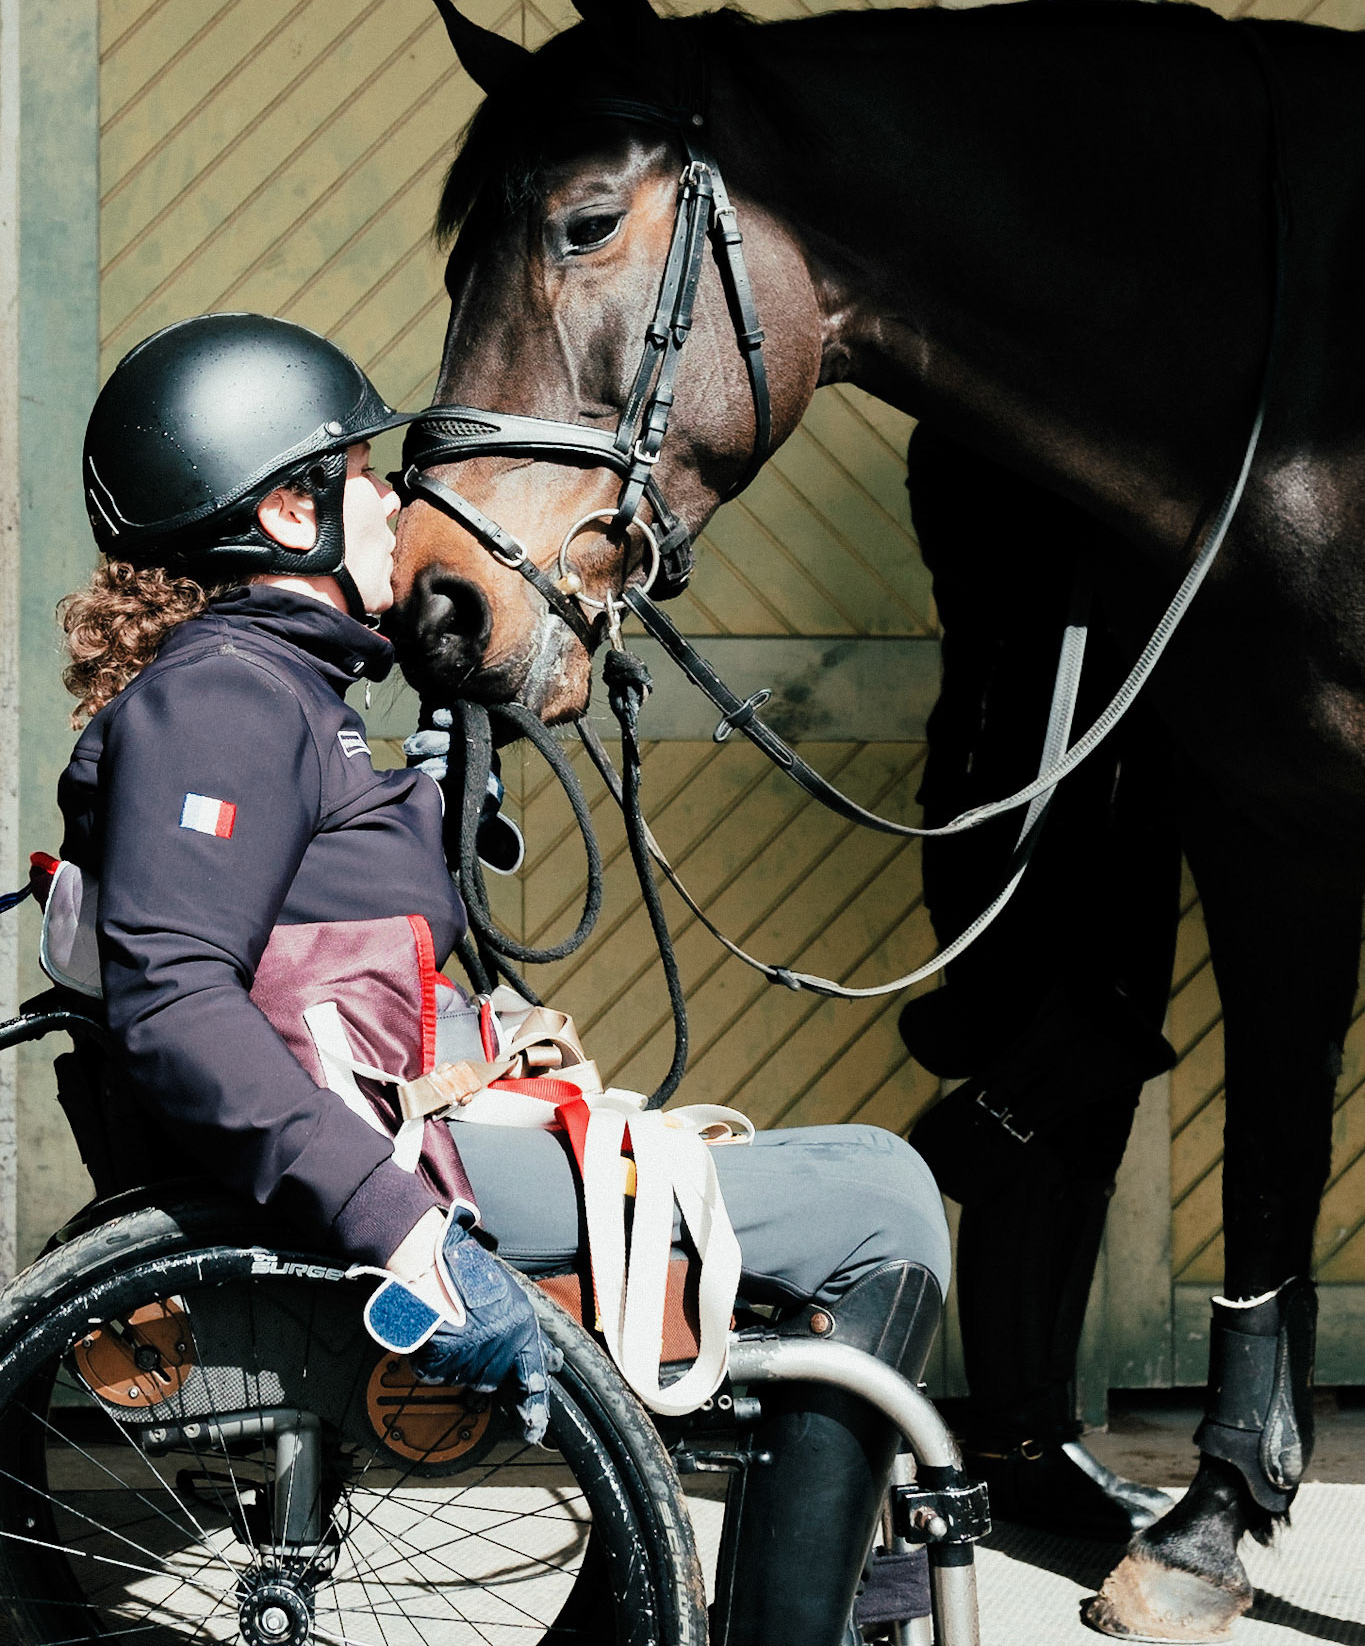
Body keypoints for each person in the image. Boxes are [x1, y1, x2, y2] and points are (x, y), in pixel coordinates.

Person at [56, 310, 951, 1646]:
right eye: (363, 474)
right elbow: (177, 1000)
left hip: (396, 1136)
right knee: (880, 1199)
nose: (393, 499)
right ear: (290, 516)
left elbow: (325, 929)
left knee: (841, 1191)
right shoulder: (226, 698)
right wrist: (406, 1230)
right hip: (376, 1176)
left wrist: (432, 781)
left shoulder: (280, 690)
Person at [901, 426, 1181, 1539]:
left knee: (1088, 1120)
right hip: (1011, 806)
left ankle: (1037, 1431)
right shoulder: (979, 433)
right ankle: (1015, 1446)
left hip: (1122, 811)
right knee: (1034, 1125)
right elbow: (1002, 588)